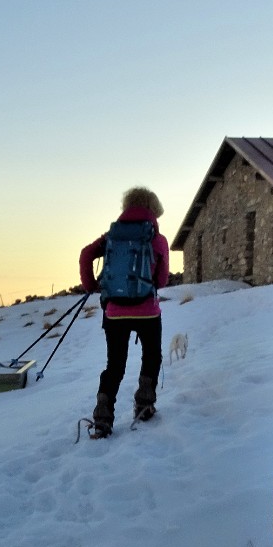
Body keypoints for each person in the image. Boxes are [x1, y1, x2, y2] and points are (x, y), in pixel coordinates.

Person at [78, 186, 171, 438]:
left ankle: (102, 418)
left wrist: (92, 286)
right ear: (154, 210)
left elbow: (86, 254)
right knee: (152, 356)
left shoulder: (111, 236)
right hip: (147, 311)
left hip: (115, 311)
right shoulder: (157, 239)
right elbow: (161, 281)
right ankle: (144, 405)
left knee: (115, 364)